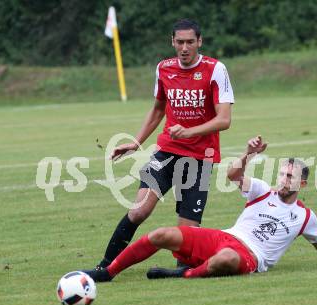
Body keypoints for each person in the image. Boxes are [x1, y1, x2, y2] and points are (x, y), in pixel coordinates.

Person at [83, 136, 317, 282]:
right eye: (281, 173)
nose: (282, 179)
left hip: (250, 257)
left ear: (301, 185)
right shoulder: (263, 191)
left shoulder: (305, 216)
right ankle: (109, 272)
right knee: (162, 234)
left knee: (225, 258)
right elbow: (232, 175)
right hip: (225, 237)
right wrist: (249, 154)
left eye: (289, 176)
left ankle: (182, 275)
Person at [93, 18, 234, 271]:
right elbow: (158, 110)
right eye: (179, 42)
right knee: (138, 211)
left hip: (200, 159)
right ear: (172, 41)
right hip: (166, 152)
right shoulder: (164, 69)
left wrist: (189, 131)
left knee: (186, 232)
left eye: (190, 42)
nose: (185, 47)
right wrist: (136, 142)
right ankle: (105, 266)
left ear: (199, 42)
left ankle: (181, 271)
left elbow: (224, 120)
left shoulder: (215, 69)